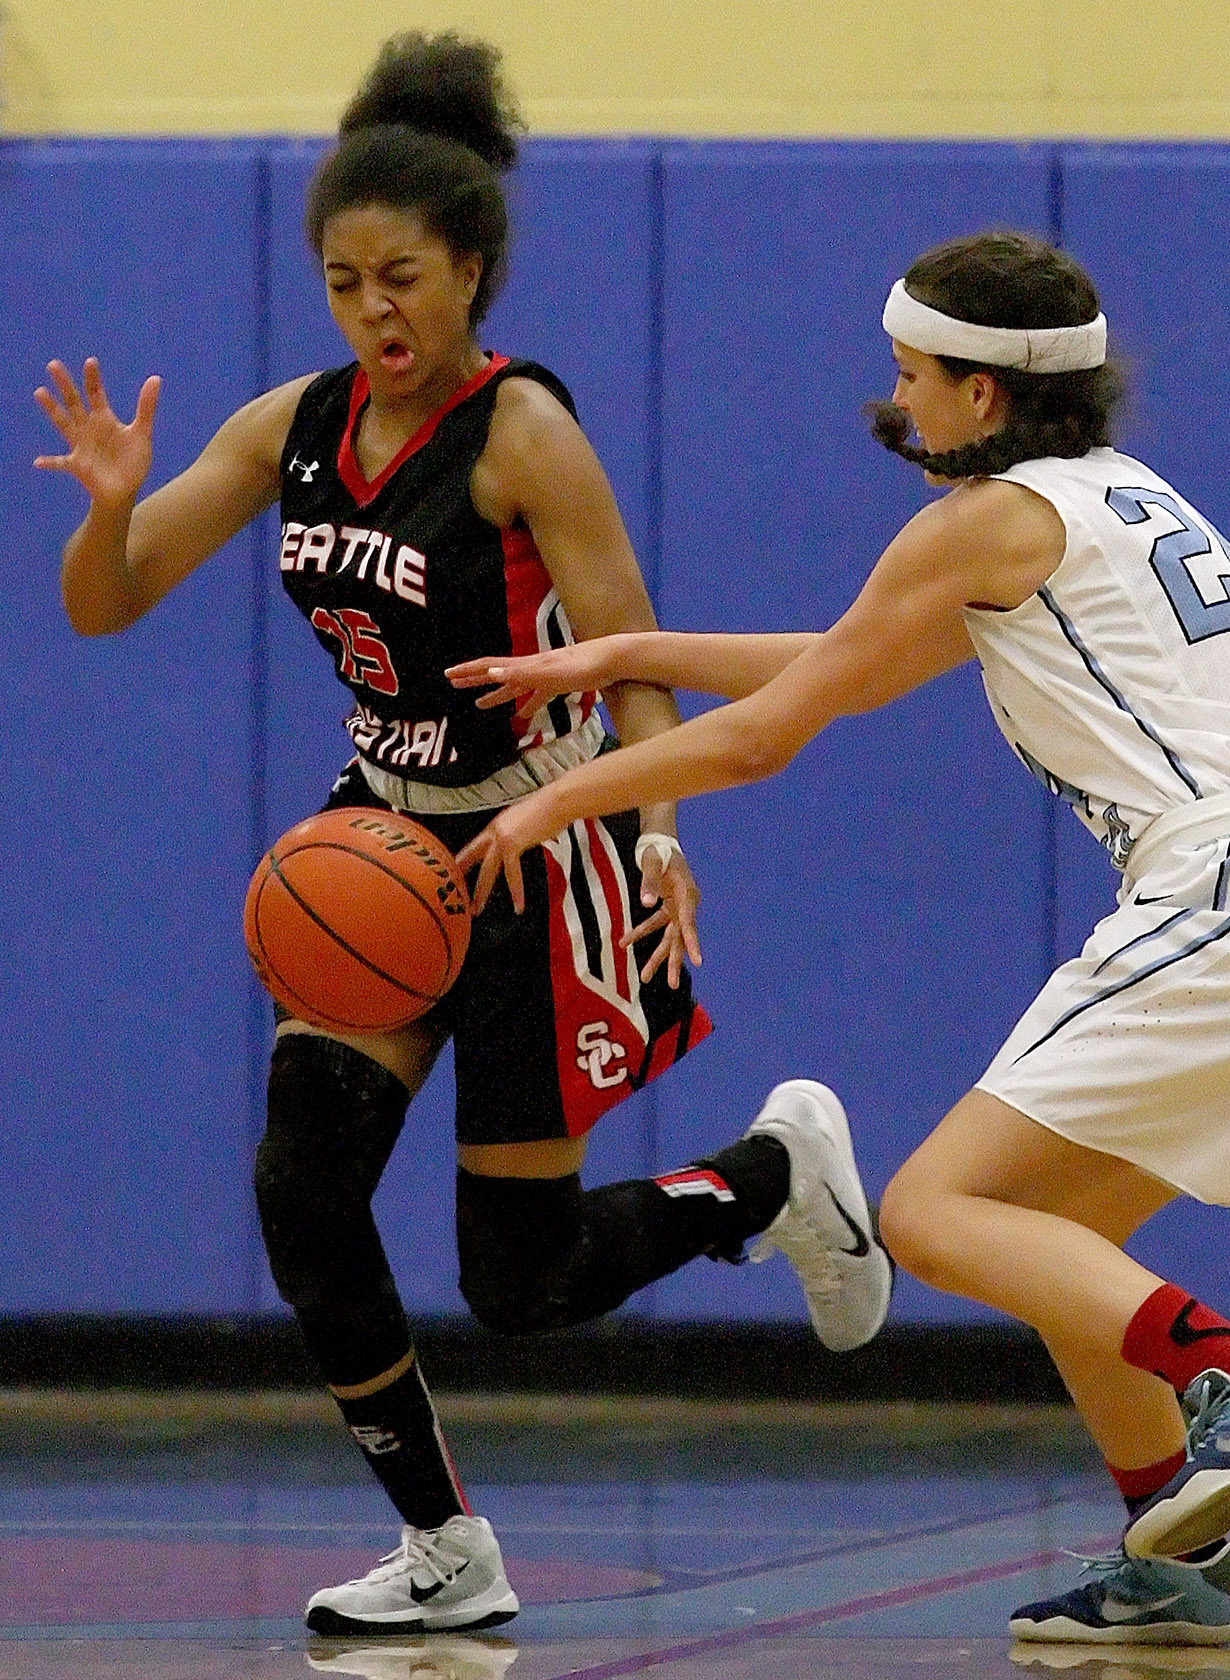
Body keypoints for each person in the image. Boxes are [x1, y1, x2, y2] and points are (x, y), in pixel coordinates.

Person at [35, 31, 892, 1638]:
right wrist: (104, 506)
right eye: (348, 280)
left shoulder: (520, 435)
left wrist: (656, 833)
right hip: (381, 844)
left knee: (523, 1281)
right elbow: (110, 604)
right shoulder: (289, 426)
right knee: (303, 1187)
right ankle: (444, 1546)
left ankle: (769, 1179)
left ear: (471, 272)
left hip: (529, 842)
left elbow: (631, 650)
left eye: (404, 277)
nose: (376, 309)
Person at [447, 228, 1230, 1645]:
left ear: (980, 395)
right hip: (1206, 892)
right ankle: (1185, 1554)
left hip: (1210, 892)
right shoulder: (1099, 499)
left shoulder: (979, 522)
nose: (899, 401)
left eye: (912, 375)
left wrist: (560, 797)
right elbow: (841, 662)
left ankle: (1221, 1382)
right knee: (1057, 1240)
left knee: (933, 1214)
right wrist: (626, 656)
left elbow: (761, 742)